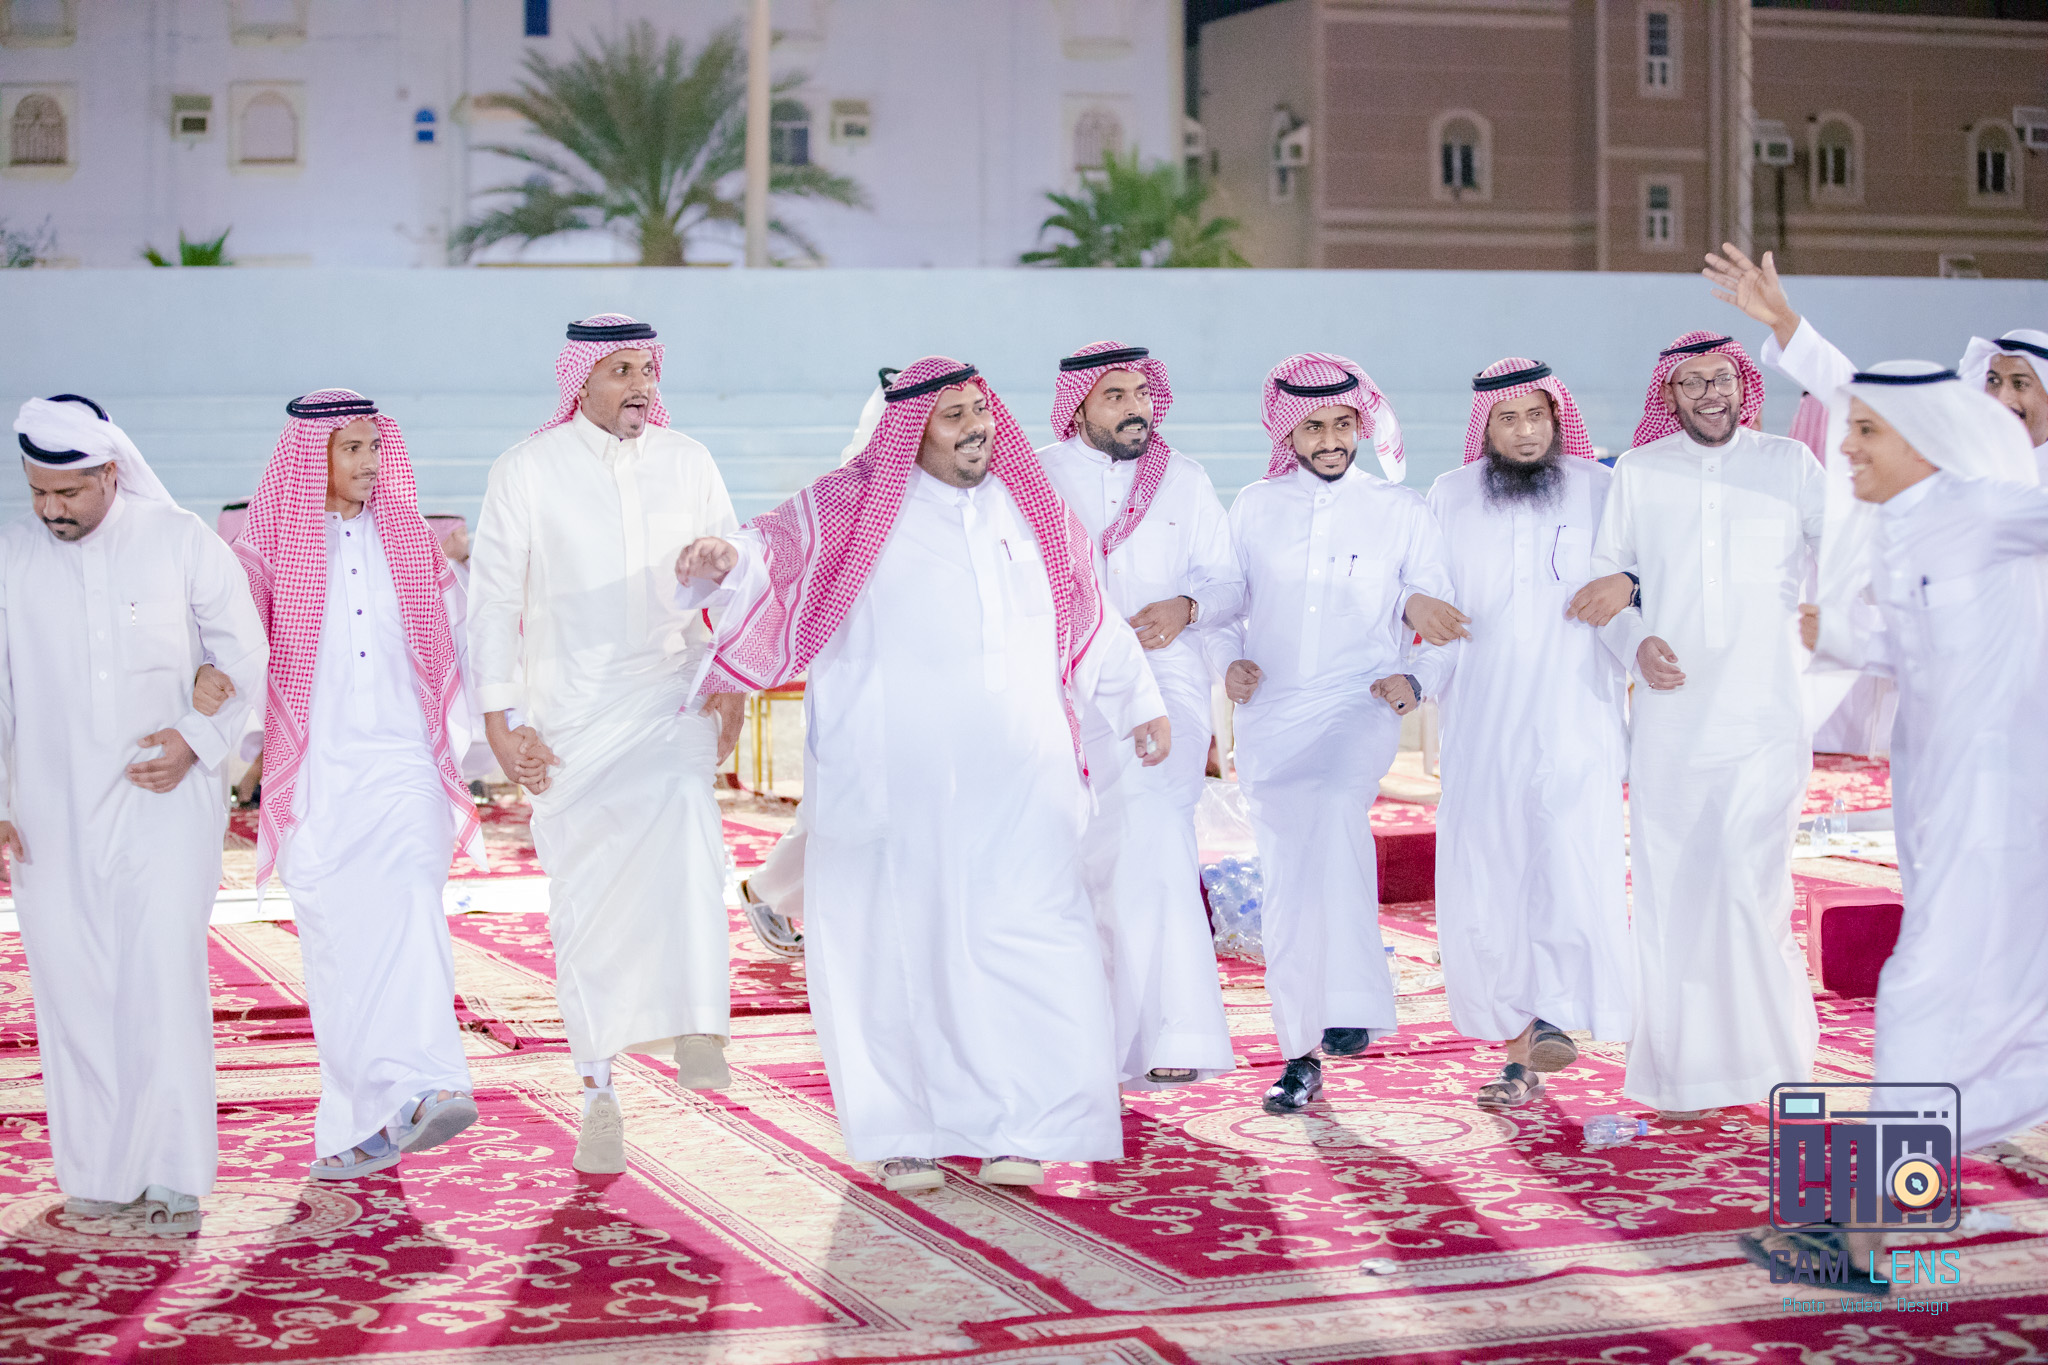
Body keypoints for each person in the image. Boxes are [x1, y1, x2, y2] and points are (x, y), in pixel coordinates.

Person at [675, 357, 1169, 1193]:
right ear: (911, 430)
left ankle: (1022, 1123)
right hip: (891, 776)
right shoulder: (855, 507)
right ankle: (904, 1131)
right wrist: (726, 558)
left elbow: (1088, 609)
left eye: (980, 409)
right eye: (953, 415)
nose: (976, 426)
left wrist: (1140, 702)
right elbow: (772, 550)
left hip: (1018, 776)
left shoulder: (1032, 506)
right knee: (893, 950)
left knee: (1027, 937)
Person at [1741, 362, 2048, 1287]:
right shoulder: (1895, 526)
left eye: (1867, 430)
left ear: (1925, 437)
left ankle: (1868, 1218)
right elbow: (1915, 650)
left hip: (2000, 802)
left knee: (1921, 990)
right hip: (1935, 794)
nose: (1845, 447)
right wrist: (1836, 635)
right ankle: (1871, 1217)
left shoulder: (1985, 508)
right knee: (1982, 1005)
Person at [468, 314, 747, 1175]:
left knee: (688, 823)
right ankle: (598, 1091)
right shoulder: (526, 469)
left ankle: (698, 1023)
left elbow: (736, 578)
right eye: (621, 369)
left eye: (646, 368)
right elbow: (491, 600)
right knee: (585, 906)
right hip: (569, 717)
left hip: (670, 690)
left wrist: (733, 677)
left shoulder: (688, 460)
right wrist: (499, 722)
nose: (639, 384)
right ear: (580, 380)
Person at [2, 395, 267, 1232]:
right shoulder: (10, 554)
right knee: (72, 984)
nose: (51, 508)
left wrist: (196, 739)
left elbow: (246, 656)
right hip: (48, 812)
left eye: (68, 492)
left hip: (165, 800)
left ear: (111, 473)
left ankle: (174, 1170)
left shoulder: (180, 541)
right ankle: (99, 1171)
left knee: (158, 974)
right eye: (37, 491)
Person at [231, 390, 486, 1180]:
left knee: (411, 904)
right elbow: (233, 652)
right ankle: (360, 1122)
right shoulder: (267, 550)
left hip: (404, 761)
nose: (370, 462)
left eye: (376, 447)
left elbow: (459, 637)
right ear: (314, 457)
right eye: (352, 448)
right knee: (339, 945)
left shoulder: (410, 540)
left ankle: (430, 1082)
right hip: (318, 774)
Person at [1204, 353, 1464, 1116]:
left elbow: (1444, 617)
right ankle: (1299, 1052)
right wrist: (1227, 664)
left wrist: (1419, 680)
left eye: (1342, 424)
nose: (1329, 439)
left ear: (1360, 425)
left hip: (1359, 705)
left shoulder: (1401, 511)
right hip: (1272, 715)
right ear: (1288, 431)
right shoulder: (1253, 507)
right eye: (1313, 426)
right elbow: (1223, 608)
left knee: (1334, 808)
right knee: (1288, 876)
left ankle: (1349, 1003)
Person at [1588, 330, 1825, 1119]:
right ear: (1670, 395)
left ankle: (1776, 1060)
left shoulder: (1791, 465)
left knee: (1753, 885)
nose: (1709, 394)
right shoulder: (1639, 471)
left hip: (1766, 713)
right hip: (1673, 719)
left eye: (1720, 378)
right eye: (1691, 383)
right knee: (1675, 888)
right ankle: (1683, 1071)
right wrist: (1635, 641)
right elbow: (1603, 582)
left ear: (1743, 384)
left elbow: (1849, 554)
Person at [1413, 359, 1635, 1110]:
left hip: (1577, 715)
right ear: (1485, 428)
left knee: (1569, 862)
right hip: (1483, 720)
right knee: (1494, 877)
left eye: (1536, 414)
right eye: (1507, 419)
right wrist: (1417, 669)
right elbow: (1434, 603)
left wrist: (1631, 587)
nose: (1525, 430)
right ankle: (1518, 1048)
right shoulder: (1450, 496)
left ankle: (1557, 1013)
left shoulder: (1600, 488)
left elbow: (1642, 574)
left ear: (1556, 417)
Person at [1038, 341, 1237, 1089]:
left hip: (1168, 677)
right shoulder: (1039, 476)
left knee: (1154, 829)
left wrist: (1188, 606)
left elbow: (1228, 582)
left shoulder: (1184, 479)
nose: (1134, 408)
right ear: (1079, 407)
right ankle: (1092, 1034)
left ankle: (1173, 1030)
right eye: (1115, 396)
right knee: (1092, 851)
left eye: (1141, 394)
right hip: (1070, 684)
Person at [735, 375, 894, 960]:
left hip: (928, 687)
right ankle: (768, 892)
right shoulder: (846, 499)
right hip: (855, 682)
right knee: (842, 811)